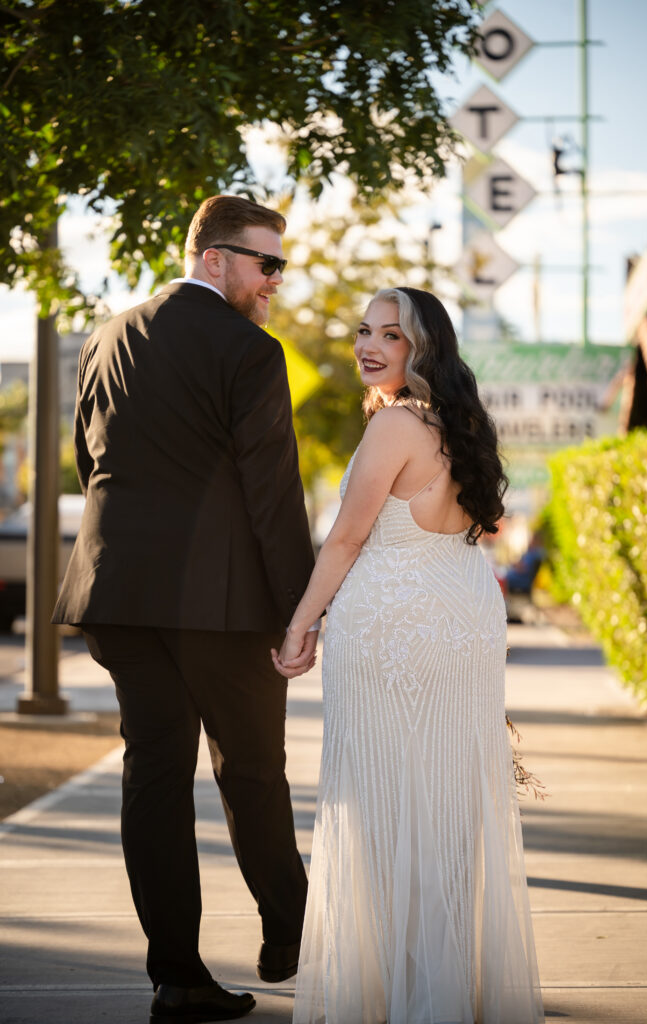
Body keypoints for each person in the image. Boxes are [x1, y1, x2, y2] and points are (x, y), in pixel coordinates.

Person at [52, 195, 318, 1022]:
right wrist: (301, 610)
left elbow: (87, 459)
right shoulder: (249, 350)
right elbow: (271, 492)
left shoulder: (101, 339)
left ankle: (177, 977)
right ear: (214, 258)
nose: (274, 282)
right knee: (250, 770)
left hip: (118, 596)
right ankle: (294, 933)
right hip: (223, 604)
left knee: (155, 775)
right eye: (265, 264)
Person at [273, 288, 544, 1024]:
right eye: (364, 331)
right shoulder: (462, 425)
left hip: (395, 629)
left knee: (382, 804)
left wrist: (302, 623)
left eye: (389, 335)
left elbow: (346, 539)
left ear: (420, 350)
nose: (369, 344)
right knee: (449, 807)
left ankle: (398, 993)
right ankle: (442, 986)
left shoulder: (395, 425)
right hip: (464, 621)